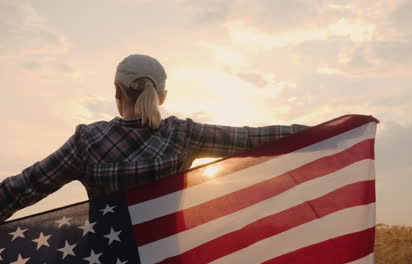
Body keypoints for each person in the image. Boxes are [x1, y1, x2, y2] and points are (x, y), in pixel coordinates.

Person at [0, 54, 309, 223]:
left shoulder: (87, 142)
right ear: (162, 96)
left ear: (116, 90)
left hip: (108, 256)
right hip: (168, 256)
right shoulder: (183, 135)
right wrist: (330, 133)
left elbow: (22, 188)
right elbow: (256, 139)